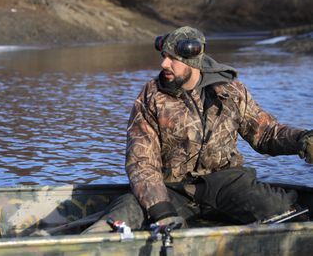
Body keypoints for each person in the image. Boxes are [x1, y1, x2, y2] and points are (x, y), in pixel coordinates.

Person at [84, 26, 313, 233]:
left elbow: (266, 133)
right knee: (125, 211)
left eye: (172, 58)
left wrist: (302, 139)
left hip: (227, 183)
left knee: (281, 210)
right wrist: (161, 211)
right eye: (164, 56)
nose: (164, 64)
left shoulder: (231, 91)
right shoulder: (151, 97)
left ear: (193, 61)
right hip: (171, 189)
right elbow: (141, 161)